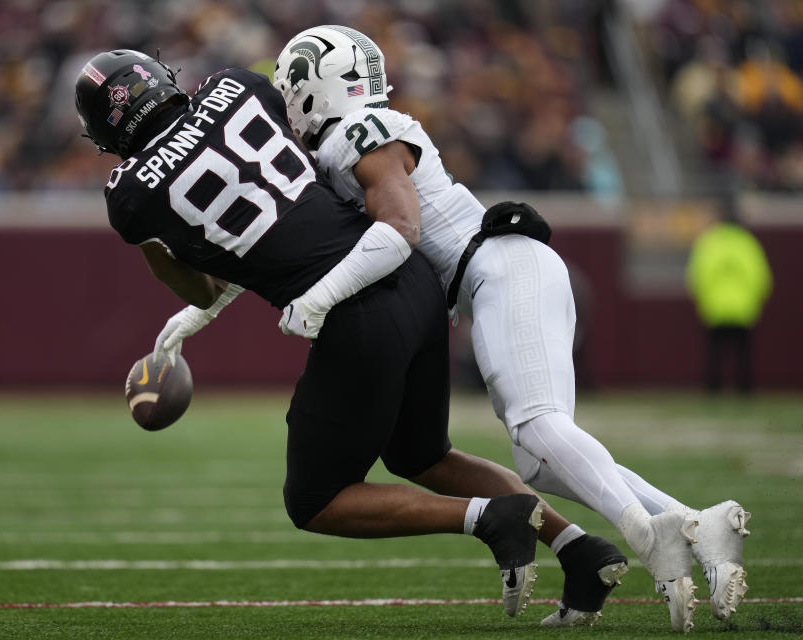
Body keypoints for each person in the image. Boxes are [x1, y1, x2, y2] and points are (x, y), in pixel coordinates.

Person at [269, 26, 751, 633]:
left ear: (318, 85)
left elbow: (401, 232)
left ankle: (649, 536)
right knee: (541, 462)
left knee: (540, 427)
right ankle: (694, 525)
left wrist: (318, 299)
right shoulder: (355, 136)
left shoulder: (357, 134)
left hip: (499, 273)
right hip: (505, 274)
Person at [74, 48, 548, 618]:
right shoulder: (236, 85)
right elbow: (300, 192)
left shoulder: (130, 196)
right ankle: (581, 546)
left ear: (104, 128)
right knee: (423, 455)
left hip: (353, 312)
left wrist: (165, 262)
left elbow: (203, 285)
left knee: (315, 499)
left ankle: (489, 517)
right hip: (409, 276)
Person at [687, 197, 772, 393]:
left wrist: (704, 300)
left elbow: (696, 276)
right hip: (743, 309)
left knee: (714, 354)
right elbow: (761, 278)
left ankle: (713, 388)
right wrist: (754, 301)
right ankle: (744, 388)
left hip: (714, 308)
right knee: (743, 354)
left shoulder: (709, 243)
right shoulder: (748, 244)